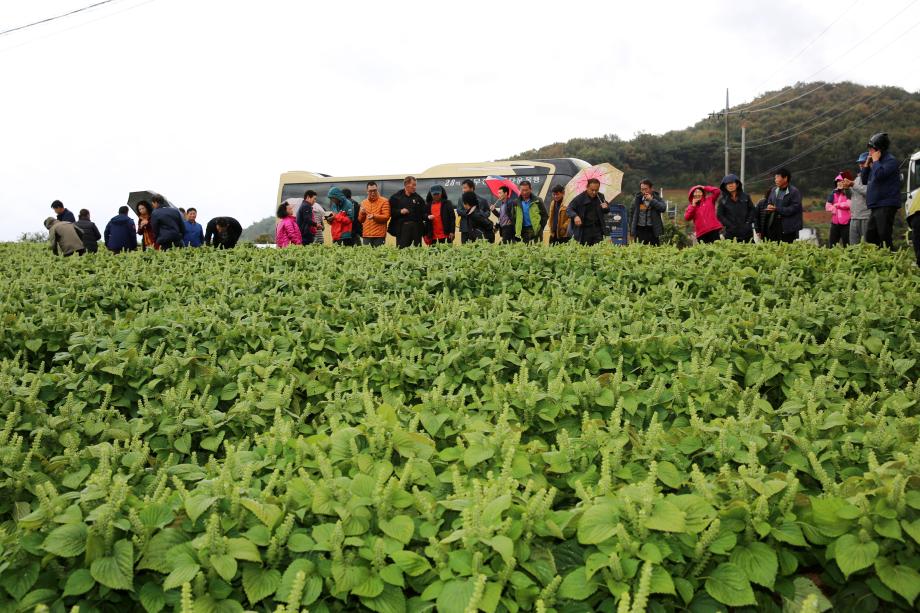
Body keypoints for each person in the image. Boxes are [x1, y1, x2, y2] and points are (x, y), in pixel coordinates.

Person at [861, 132, 901, 250]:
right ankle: (879, 257)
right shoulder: (876, 162)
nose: (870, 151)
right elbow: (864, 180)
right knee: (870, 236)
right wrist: (867, 163)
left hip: (886, 203)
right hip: (876, 204)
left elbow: (879, 175)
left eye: (872, 149)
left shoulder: (890, 161)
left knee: (884, 236)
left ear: (879, 149)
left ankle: (891, 257)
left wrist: (876, 161)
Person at [567, 178, 610, 245]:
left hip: (597, 230)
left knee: (599, 248)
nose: (594, 192)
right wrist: (575, 216)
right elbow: (569, 209)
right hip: (584, 230)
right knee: (584, 249)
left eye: (596, 190)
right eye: (592, 190)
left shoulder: (600, 196)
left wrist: (606, 207)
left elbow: (606, 211)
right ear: (587, 187)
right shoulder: (579, 198)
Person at [388, 176, 426, 248]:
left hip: (416, 229)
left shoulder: (419, 198)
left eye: (415, 185)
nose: (415, 187)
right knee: (402, 250)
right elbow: (390, 212)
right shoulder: (396, 197)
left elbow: (423, 212)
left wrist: (427, 216)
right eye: (413, 185)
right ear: (406, 184)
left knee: (417, 250)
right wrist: (400, 211)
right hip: (401, 228)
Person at [767, 168, 803, 243]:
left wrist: (777, 209)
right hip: (774, 226)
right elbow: (770, 201)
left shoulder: (794, 192)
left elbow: (794, 208)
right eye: (775, 178)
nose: (775, 180)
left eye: (777, 177)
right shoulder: (774, 190)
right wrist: (769, 205)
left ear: (785, 178)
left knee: (786, 247)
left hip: (788, 228)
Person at [717, 174, 755, 242]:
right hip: (731, 233)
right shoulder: (722, 200)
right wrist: (729, 225)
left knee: (749, 247)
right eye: (727, 184)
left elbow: (752, 210)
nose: (730, 185)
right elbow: (720, 215)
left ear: (737, 184)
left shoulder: (746, 196)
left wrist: (748, 223)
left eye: (732, 183)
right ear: (725, 186)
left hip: (746, 232)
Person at [842, 153, 871, 244]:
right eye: (860, 163)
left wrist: (853, 185)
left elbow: (868, 192)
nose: (861, 165)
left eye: (863, 162)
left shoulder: (871, 177)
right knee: (853, 245)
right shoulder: (857, 178)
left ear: (870, 163)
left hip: (866, 216)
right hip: (854, 217)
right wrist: (847, 188)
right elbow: (851, 196)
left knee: (867, 245)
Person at [629, 179, 667, 245]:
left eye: (646, 189)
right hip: (639, 230)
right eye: (642, 189)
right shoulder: (637, 199)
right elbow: (632, 215)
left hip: (652, 230)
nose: (644, 191)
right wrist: (632, 230)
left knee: (654, 249)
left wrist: (652, 200)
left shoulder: (656, 197)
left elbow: (663, 208)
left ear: (651, 189)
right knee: (639, 249)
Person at [358, 181, 391, 247]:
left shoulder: (384, 201)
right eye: (370, 191)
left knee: (379, 253)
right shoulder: (363, 202)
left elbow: (386, 217)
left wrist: (374, 216)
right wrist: (362, 213)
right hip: (366, 235)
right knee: (366, 253)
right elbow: (360, 220)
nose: (373, 193)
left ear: (377, 190)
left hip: (379, 236)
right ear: (367, 191)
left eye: (374, 190)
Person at [825, 174, 851, 247]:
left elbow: (849, 204)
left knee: (848, 245)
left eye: (841, 181)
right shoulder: (833, 193)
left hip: (847, 223)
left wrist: (837, 205)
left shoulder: (849, 192)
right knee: (832, 245)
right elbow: (827, 207)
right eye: (838, 181)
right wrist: (834, 209)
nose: (839, 183)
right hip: (835, 223)